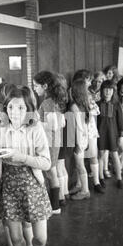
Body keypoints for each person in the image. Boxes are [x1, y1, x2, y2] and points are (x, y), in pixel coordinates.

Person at [0, 85, 52, 246]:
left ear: (29, 108)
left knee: (40, 237)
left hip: (31, 182)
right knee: (16, 235)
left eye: (21, 108)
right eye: (11, 108)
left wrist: (21, 157)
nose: (15, 113)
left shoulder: (35, 128)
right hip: (8, 182)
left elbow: (46, 162)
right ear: (6, 109)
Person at [0, 83, 35, 246]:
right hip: (18, 175)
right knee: (18, 216)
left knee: (14, 216)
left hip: (15, 175)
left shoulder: (6, 122)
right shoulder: (8, 121)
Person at [33, 71, 69, 213]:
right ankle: (57, 202)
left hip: (50, 142)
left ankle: (55, 207)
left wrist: (35, 122)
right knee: (51, 172)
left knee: (51, 173)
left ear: (45, 86)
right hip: (55, 141)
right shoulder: (55, 100)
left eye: (36, 86)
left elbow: (53, 125)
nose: (35, 89)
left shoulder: (47, 102)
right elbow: (62, 123)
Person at [97, 80, 123, 189]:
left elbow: (121, 122)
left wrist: (121, 136)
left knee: (114, 155)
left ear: (114, 91)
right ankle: (100, 178)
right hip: (100, 134)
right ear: (102, 90)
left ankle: (119, 178)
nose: (108, 92)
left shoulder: (117, 105)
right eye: (106, 89)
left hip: (113, 134)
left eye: (110, 89)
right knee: (100, 155)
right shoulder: (98, 104)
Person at [68, 79, 92, 200]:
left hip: (79, 139)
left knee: (80, 165)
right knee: (79, 165)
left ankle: (85, 190)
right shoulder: (84, 105)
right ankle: (79, 185)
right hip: (83, 138)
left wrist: (77, 143)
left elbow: (78, 127)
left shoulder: (74, 106)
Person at [54, 73, 70, 206]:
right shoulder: (65, 97)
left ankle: (61, 197)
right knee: (62, 166)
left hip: (58, 135)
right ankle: (65, 192)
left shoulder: (55, 101)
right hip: (66, 134)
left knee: (58, 167)